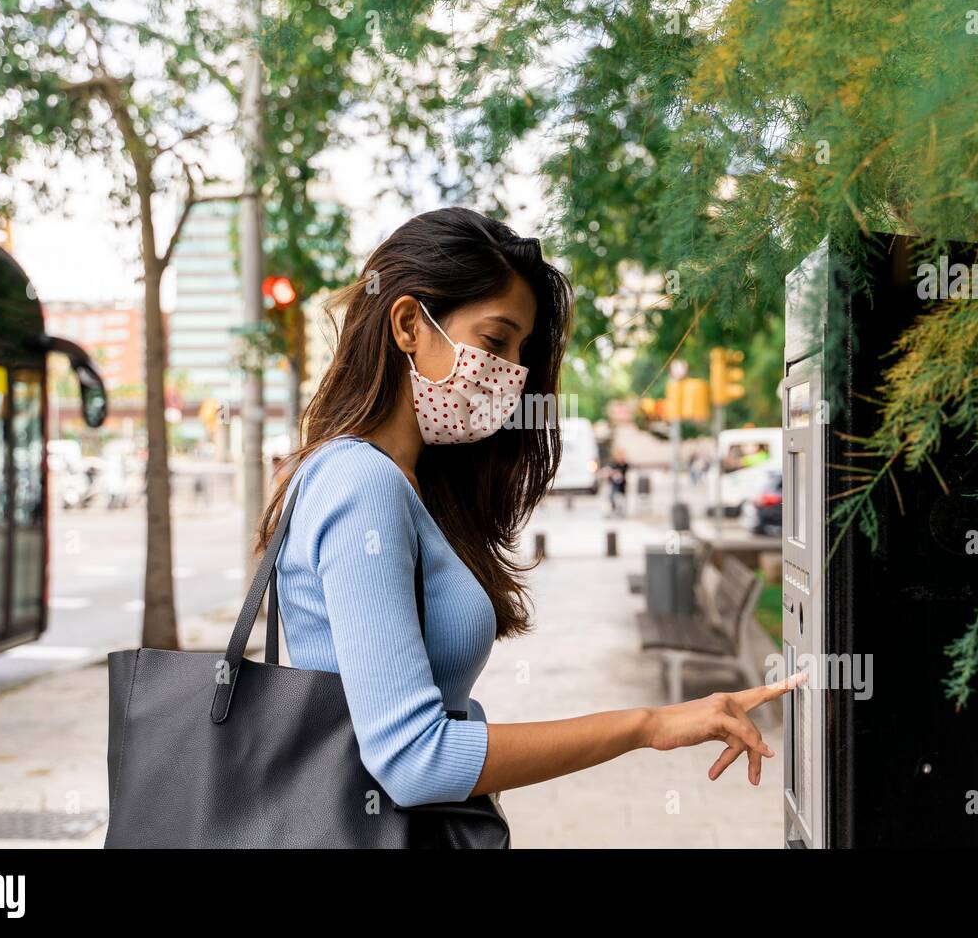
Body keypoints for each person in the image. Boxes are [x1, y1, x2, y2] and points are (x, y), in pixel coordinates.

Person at [255, 207, 796, 823]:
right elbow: (413, 760)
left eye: (519, 351)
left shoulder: (408, 481)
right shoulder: (360, 483)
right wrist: (647, 724)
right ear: (408, 323)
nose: (510, 374)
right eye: (495, 340)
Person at [602, 447, 630, 517]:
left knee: (620, 498)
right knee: (611, 496)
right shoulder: (613, 463)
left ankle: (619, 510)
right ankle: (614, 509)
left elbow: (622, 472)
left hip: (621, 485)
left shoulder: (625, 464)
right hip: (614, 484)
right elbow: (609, 472)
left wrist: (615, 472)